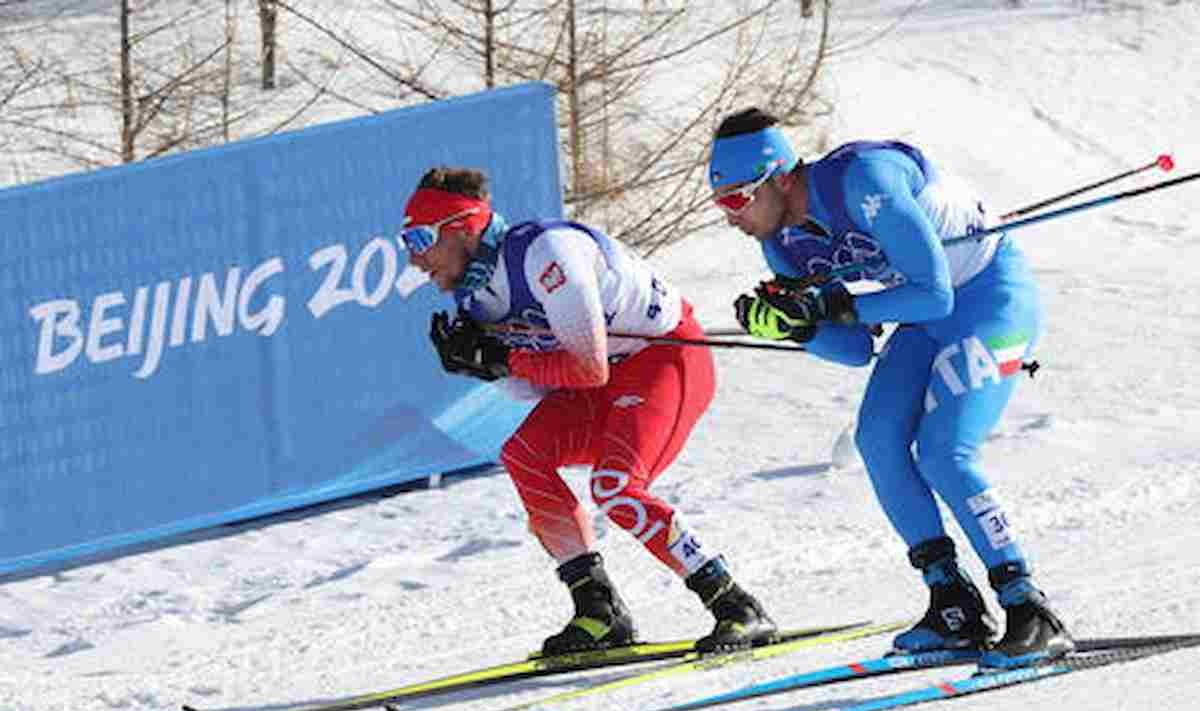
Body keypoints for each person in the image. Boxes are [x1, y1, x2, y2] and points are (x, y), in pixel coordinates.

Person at [708, 108, 1073, 669]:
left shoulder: (864, 179)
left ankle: (1029, 607)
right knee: (877, 439)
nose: (729, 216)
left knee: (944, 452)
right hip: (923, 317)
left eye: (736, 198)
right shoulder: (781, 243)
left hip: (988, 297)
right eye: (719, 203)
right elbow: (854, 350)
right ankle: (953, 603)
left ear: (780, 176)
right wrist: (799, 326)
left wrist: (830, 303)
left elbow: (934, 293)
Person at [401, 166, 777, 655]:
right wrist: (486, 369)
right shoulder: (475, 297)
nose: (414, 258)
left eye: (420, 237)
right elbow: (531, 392)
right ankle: (599, 609)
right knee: (524, 454)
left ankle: (735, 604)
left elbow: (587, 368)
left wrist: (502, 357)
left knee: (615, 486)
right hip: (606, 377)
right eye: (406, 241)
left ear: (463, 225)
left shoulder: (545, 254)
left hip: (665, 357)